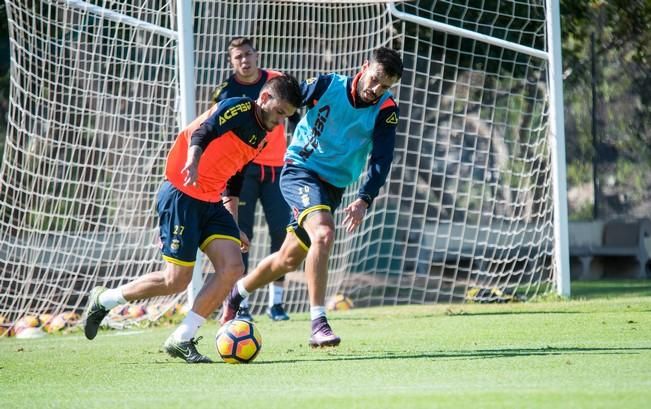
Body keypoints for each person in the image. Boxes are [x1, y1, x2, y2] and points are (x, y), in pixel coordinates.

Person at [82, 74, 302, 363]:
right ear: (264, 99)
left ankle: (182, 338)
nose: (281, 121)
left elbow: (235, 177)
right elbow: (204, 132)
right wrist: (193, 159)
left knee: (233, 266)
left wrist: (234, 225)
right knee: (176, 280)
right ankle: (105, 300)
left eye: (286, 116)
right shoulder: (238, 107)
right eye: (279, 112)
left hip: (212, 202)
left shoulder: (262, 134)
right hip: (181, 194)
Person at [220, 47, 403, 347]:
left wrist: (364, 198)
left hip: (332, 187)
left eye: (385, 86)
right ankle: (319, 322)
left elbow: (382, 158)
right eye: (375, 80)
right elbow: (289, 99)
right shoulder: (327, 85)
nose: (376, 90)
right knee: (324, 232)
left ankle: (237, 292)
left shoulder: (386, 109)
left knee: (287, 259)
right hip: (300, 171)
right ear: (365, 66)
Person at [211, 37, 296, 322]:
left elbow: (296, 116)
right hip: (243, 171)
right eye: (238, 57)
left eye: (248, 54)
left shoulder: (277, 82)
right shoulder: (226, 92)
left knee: (282, 234)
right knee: (240, 235)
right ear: (231, 61)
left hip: (276, 171)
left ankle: (277, 304)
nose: (244, 60)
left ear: (256, 55)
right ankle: (240, 303)